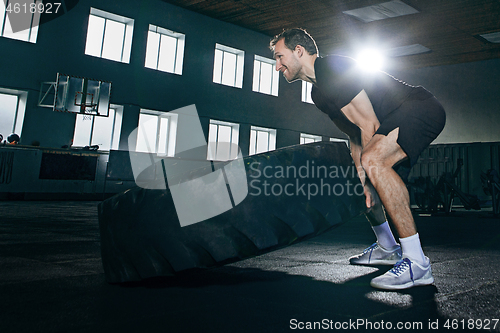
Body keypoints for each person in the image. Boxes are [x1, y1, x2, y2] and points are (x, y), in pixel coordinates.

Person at [270, 28, 445, 290]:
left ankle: (417, 263)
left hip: (419, 107)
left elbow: (369, 124)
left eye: (279, 56)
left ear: (298, 51)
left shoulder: (331, 69)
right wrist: (361, 178)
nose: (277, 66)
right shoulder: (318, 93)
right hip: (390, 122)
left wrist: (370, 170)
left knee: (373, 162)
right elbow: (354, 134)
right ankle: (387, 246)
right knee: (359, 176)